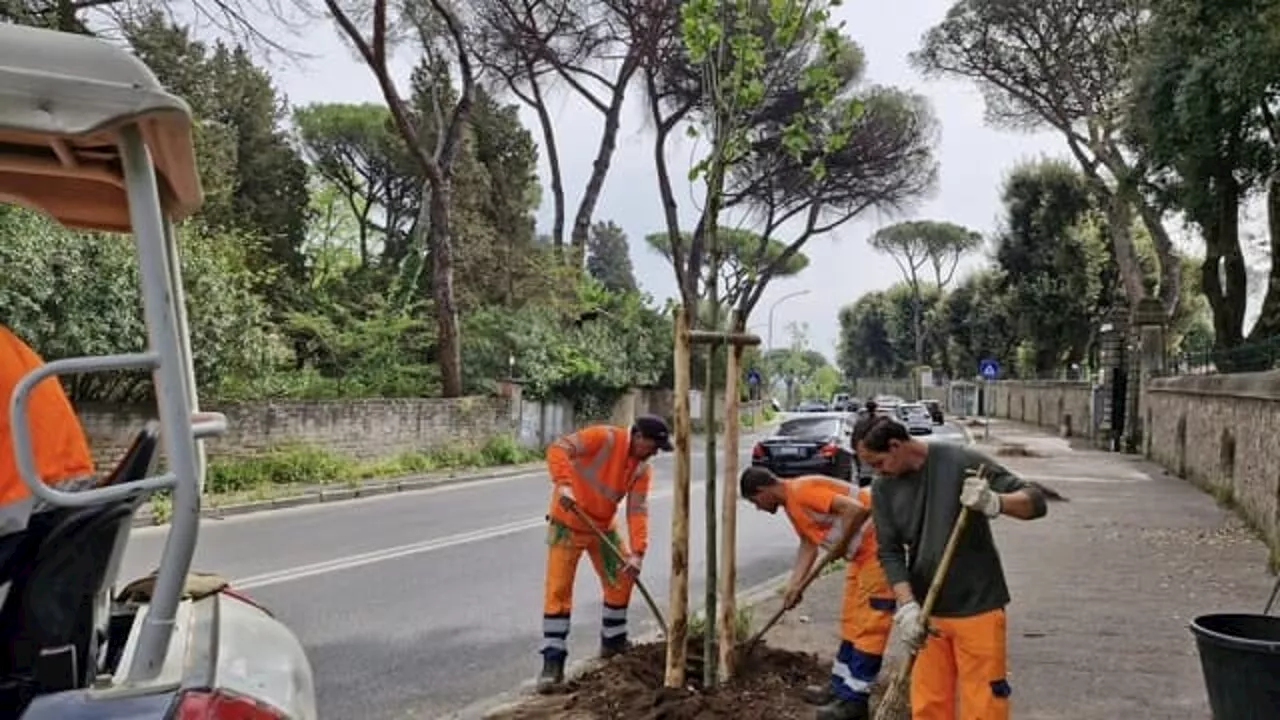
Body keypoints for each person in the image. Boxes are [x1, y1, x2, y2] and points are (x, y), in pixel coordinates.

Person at [858, 418, 1048, 720]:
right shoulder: (883, 488)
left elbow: (1036, 502)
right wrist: (907, 606)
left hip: (978, 606)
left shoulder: (959, 461)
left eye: (878, 463)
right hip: (926, 614)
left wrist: (994, 501)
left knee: (984, 703)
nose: (876, 472)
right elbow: (890, 551)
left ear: (896, 446)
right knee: (929, 705)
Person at [739, 463, 891, 720]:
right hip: (859, 558)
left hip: (880, 553)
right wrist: (794, 586)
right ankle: (839, 688)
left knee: (869, 629)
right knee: (851, 623)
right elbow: (808, 545)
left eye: (756, 501)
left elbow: (856, 510)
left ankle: (855, 702)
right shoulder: (792, 505)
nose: (759, 508)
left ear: (763, 489)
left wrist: (839, 547)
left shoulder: (802, 490)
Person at [536, 414, 672, 693]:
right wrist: (564, 484)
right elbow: (558, 448)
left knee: (622, 578)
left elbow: (637, 510)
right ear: (638, 437)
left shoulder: (641, 469)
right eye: (654, 446)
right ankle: (553, 662)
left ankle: (613, 642)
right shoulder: (603, 437)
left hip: (601, 527)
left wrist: (637, 553)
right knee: (559, 590)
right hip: (568, 523)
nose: (655, 453)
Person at [851, 400, 879, 484]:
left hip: (863, 450)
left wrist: (855, 449)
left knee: (864, 474)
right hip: (876, 450)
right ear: (875, 408)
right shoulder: (879, 421)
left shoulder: (860, 422)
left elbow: (855, 436)